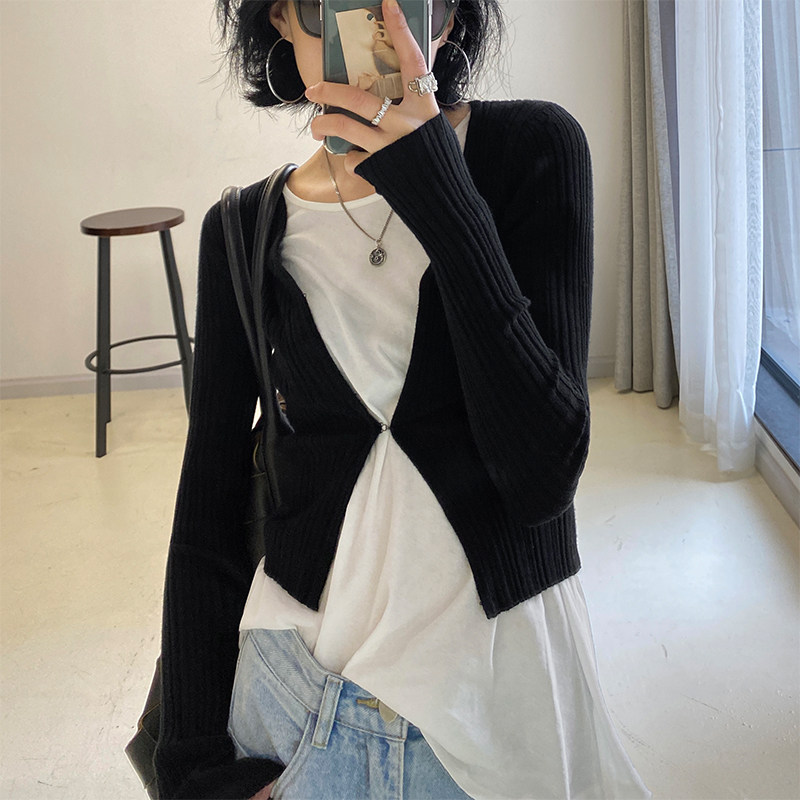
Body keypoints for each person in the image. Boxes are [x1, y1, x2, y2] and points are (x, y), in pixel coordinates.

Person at [153, 1, 652, 798]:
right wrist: (192, 765)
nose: (373, 28)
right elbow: (206, 511)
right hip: (292, 700)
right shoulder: (242, 230)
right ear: (279, 19)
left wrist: (438, 189)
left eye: (406, 6)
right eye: (329, 5)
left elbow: (543, 475)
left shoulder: (531, 150)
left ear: (446, 21)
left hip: (502, 706)